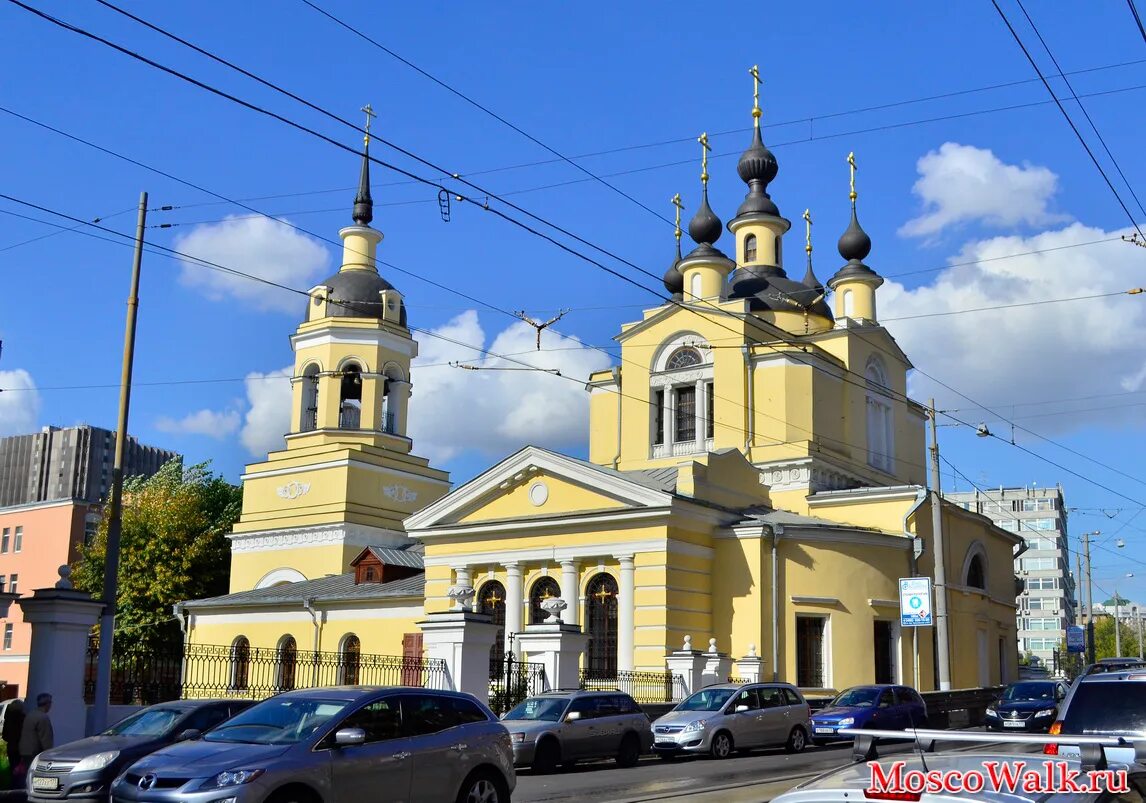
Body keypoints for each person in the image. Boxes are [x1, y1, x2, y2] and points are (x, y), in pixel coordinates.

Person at [19, 693, 52, 770]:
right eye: (50, 703)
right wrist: (48, 754)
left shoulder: (31, 714)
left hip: (24, 751)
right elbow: (45, 738)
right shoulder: (43, 717)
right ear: (47, 704)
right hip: (34, 752)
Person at [1, 700, 23, 788]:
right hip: (19, 747)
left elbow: (4, 736)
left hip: (10, 747)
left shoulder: (8, 719)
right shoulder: (22, 719)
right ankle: (18, 785)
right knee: (20, 767)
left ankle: (13, 784)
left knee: (13, 767)